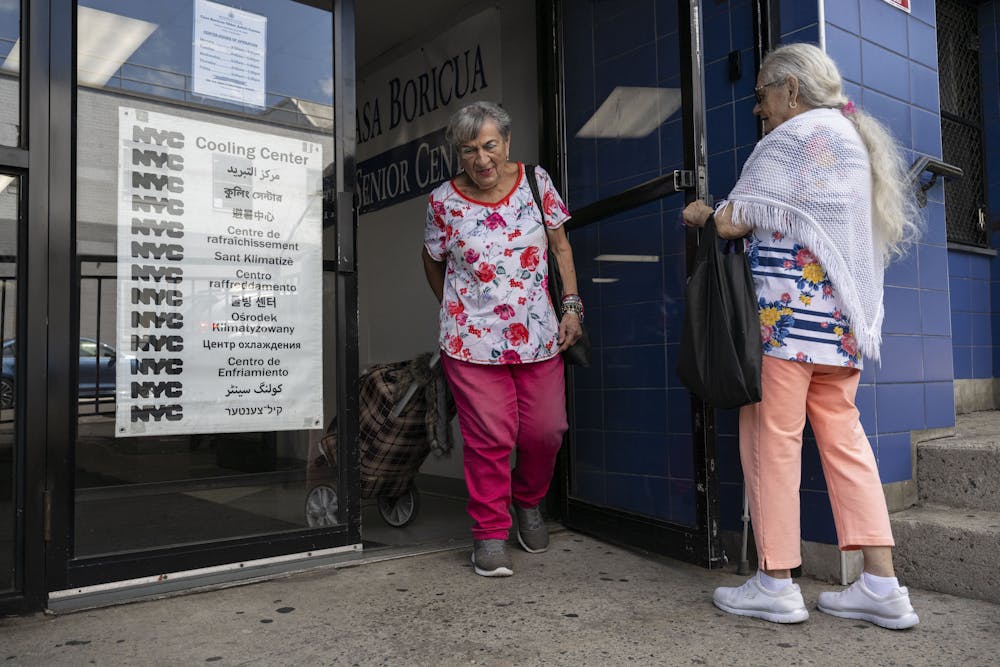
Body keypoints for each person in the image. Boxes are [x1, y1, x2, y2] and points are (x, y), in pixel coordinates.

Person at [682, 43, 922, 629]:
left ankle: (776, 583)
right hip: (840, 331)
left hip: (785, 329)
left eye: (761, 93)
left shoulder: (793, 139)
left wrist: (704, 214)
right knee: (846, 445)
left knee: (772, 444)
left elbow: (735, 220)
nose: (757, 107)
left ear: (791, 89)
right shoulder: (851, 140)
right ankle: (881, 585)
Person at [421, 101, 583, 577]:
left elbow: (560, 246)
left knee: (546, 430)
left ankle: (527, 499)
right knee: (490, 436)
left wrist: (571, 305)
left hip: (538, 333)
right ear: (458, 153)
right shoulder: (442, 202)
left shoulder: (536, 182)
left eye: (490, 145)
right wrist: (453, 308)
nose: (481, 158)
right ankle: (489, 533)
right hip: (470, 341)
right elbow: (432, 258)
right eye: (468, 150)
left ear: (507, 142)